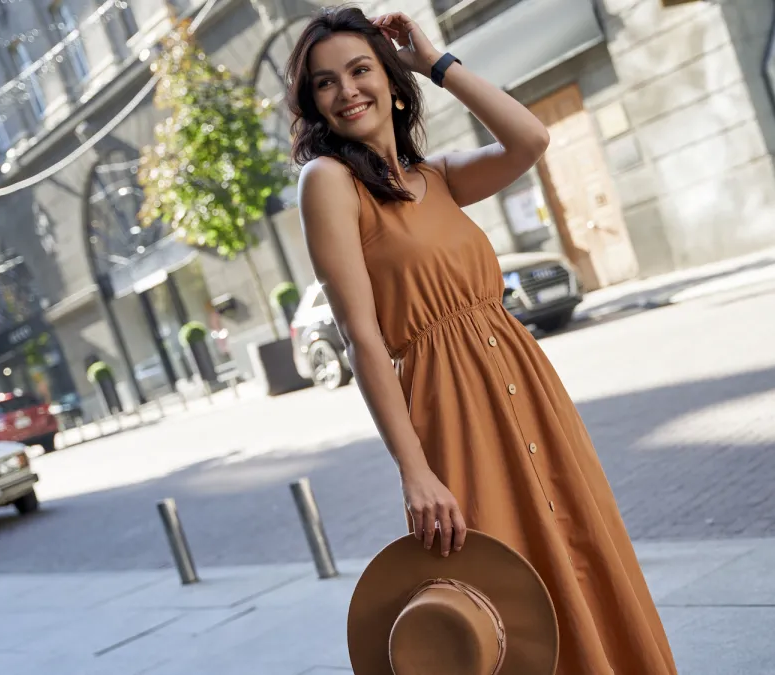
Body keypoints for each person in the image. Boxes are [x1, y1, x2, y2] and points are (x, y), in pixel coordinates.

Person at [286, 7, 678, 673]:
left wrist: (434, 61)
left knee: (578, 549)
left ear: (389, 78)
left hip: (531, 396)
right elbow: (362, 337)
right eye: (325, 82)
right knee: (505, 593)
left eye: (360, 70)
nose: (347, 90)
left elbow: (529, 139)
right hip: (455, 412)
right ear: (313, 102)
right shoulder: (328, 182)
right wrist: (415, 470)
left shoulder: (434, 176)